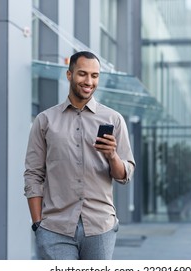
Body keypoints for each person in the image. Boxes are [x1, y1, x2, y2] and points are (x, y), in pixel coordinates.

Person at [23, 51, 135, 260]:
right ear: (69, 75)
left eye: (94, 76)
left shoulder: (114, 119)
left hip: (100, 228)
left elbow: (124, 175)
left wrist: (112, 155)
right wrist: (38, 224)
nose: (89, 81)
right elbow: (33, 174)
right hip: (55, 229)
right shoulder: (45, 120)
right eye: (83, 74)